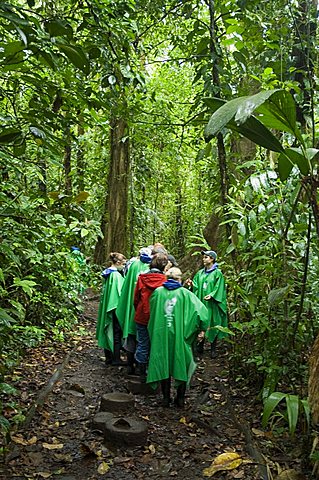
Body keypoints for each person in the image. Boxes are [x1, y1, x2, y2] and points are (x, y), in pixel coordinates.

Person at [146, 267, 209, 407]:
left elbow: (153, 313)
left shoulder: (157, 292)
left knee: (163, 363)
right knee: (181, 363)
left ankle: (166, 398)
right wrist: (201, 329)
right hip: (180, 337)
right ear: (179, 279)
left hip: (161, 335)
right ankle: (180, 399)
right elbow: (202, 313)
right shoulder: (185, 294)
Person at [116, 247, 152, 374]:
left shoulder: (134, 265)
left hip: (132, 307)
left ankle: (129, 365)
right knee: (142, 339)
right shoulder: (149, 268)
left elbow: (127, 287)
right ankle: (140, 367)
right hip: (143, 309)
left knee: (131, 335)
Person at [185, 250, 227, 358]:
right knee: (201, 322)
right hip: (201, 303)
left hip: (212, 305)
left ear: (212, 259)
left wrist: (212, 295)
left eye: (206, 257)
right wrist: (191, 285)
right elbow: (196, 287)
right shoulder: (200, 273)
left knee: (212, 323)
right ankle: (200, 346)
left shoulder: (217, 274)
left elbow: (220, 288)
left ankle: (213, 348)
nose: (204, 259)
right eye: (203, 257)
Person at [133, 252, 168, 381]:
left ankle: (141, 372)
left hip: (142, 315)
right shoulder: (165, 281)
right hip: (159, 318)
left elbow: (136, 299)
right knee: (156, 344)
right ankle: (154, 373)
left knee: (142, 343)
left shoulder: (142, 278)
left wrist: (139, 310)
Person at [96, 252, 127, 366]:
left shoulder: (108, 273)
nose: (124, 266)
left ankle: (109, 357)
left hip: (108, 306)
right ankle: (116, 358)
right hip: (114, 308)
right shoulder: (115, 276)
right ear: (118, 262)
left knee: (109, 330)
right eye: (123, 264)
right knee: (116, 333)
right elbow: (118, 294)